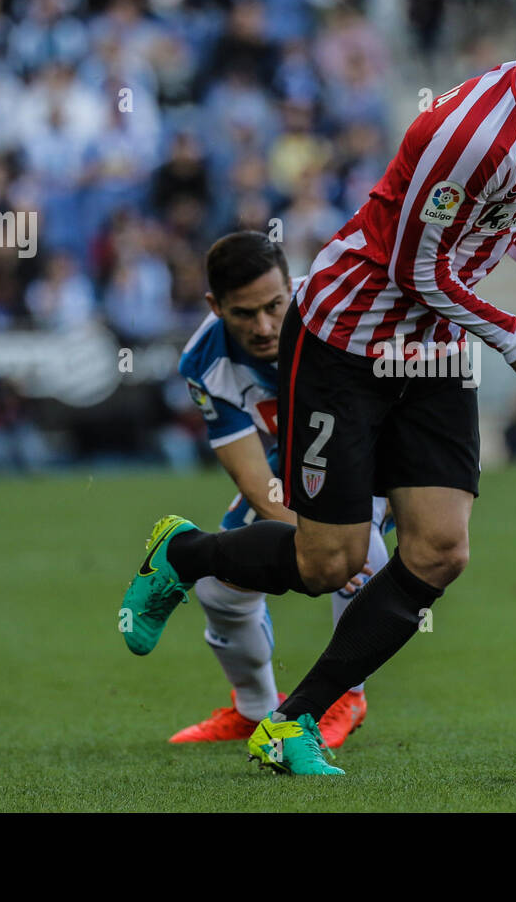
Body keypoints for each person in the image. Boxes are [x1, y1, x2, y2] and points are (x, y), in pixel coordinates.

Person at [120, 0, 516, 774]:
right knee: (332, 563)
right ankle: (183, 555)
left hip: (428, 349)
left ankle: (293, 721)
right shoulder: (460, 132)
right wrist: (513, 333)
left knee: (439, 551)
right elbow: (412, 270)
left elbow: (515, 206)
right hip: (347, 341)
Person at [142, 231, 392, 750]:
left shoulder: (335, 314)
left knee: (359, 551)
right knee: (216, 585)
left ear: (292, 287)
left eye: (274, 306)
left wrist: (342, 544)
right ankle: (255, 709)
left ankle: (347, 698)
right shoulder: (203, 362)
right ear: (215, 306)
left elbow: (392, 420)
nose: (263, 327)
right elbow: (255, 479)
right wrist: (313, 541)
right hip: (289, 467)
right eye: (243, 313)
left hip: (375, 453)